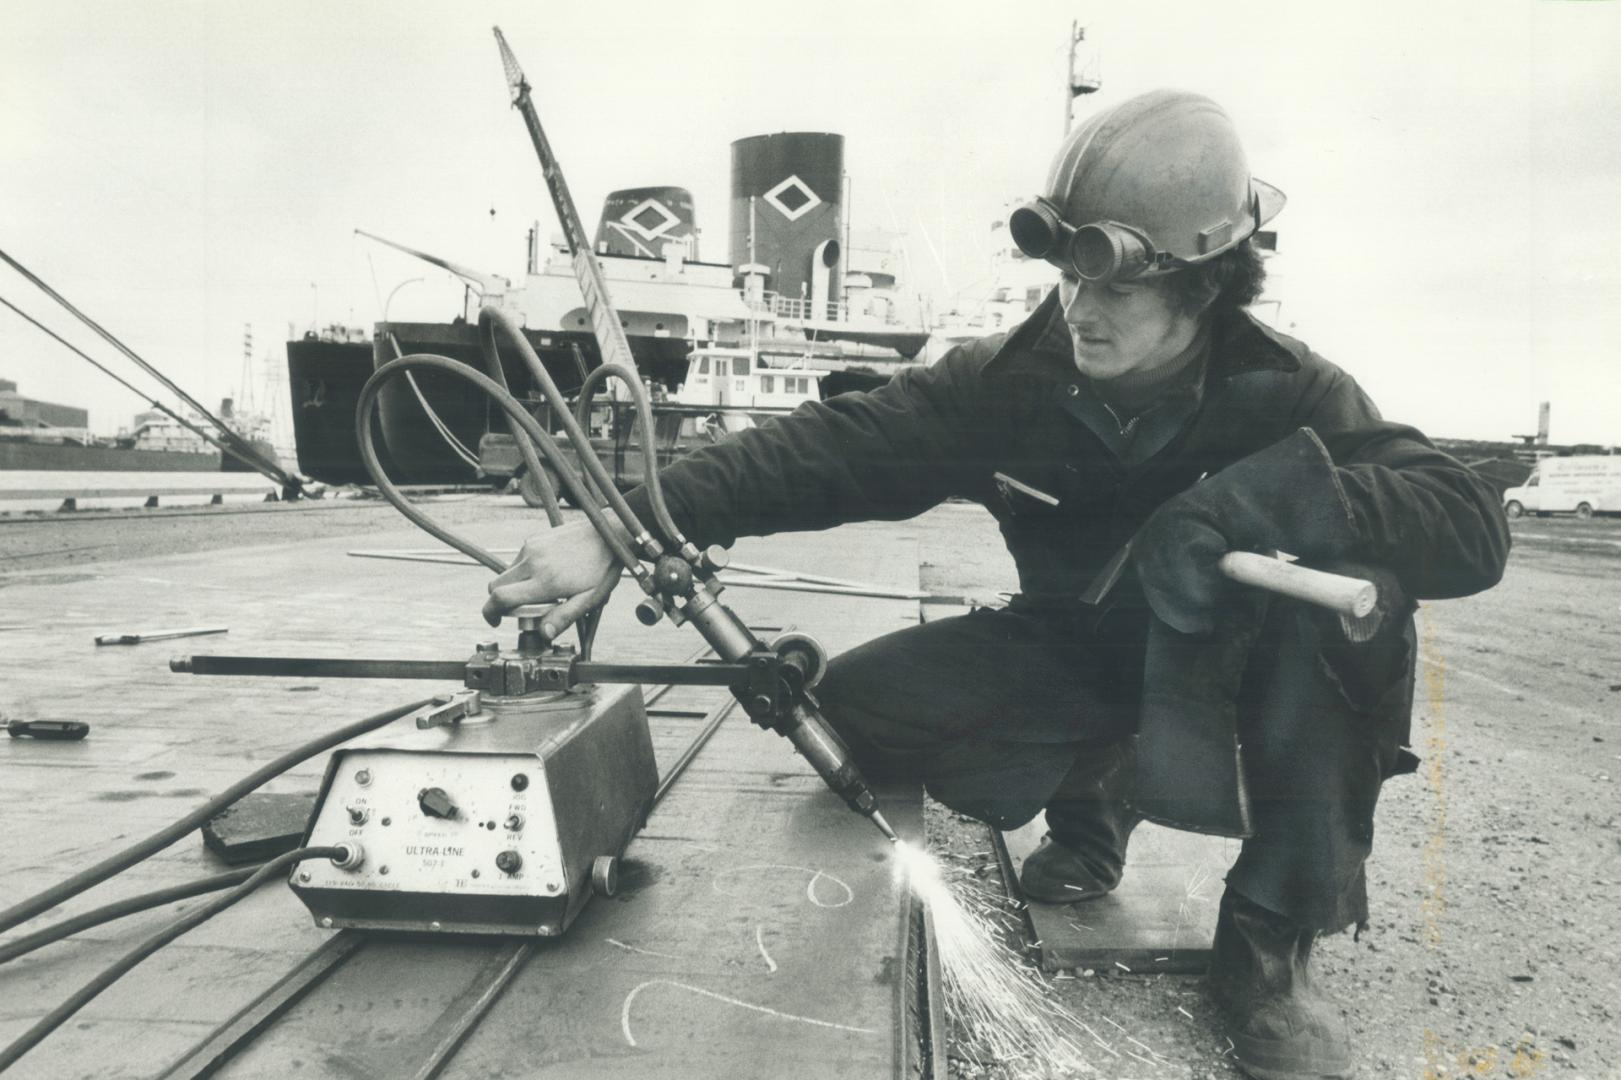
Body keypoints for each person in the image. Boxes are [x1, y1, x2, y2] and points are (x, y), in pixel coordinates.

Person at [483, 90, 1509, 1080]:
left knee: (1359, 608)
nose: (1077, 308)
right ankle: (1093, 801)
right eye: (1065, 276)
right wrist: (611, 529)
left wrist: (1276, 497)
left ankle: (1270, 941)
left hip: (1224, 675)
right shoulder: (1004, 380)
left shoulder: (1292, 393)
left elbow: (1466, 525)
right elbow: (831, 450)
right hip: (1075, 646)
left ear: (1199, 284)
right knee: (855, 718)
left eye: (1111, 285)